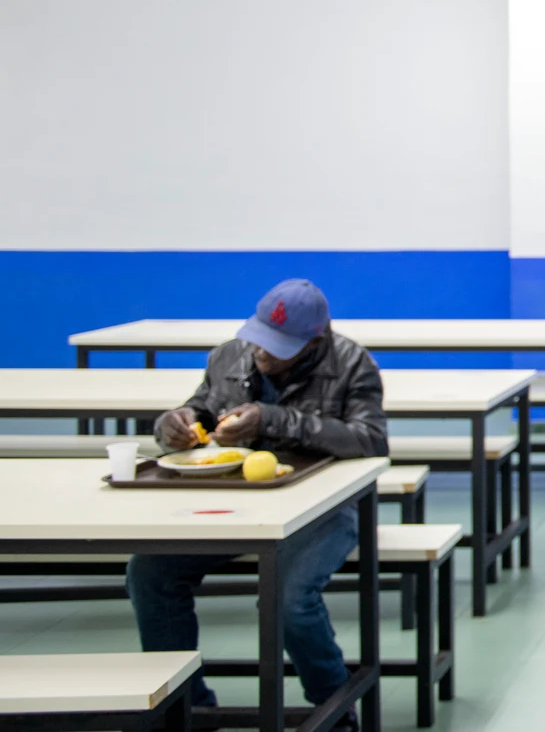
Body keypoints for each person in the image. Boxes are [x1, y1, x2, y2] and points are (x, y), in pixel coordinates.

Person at [130, 278, 388, 727]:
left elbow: (369, 440)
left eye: (278, 347)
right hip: (236, 504)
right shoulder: (229, 355)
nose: (261, 354)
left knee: (290, 600)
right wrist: (174, 425)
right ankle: (186, 706)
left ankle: (334, 705)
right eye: (260, 340)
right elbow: (201, 410)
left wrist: (274, 419)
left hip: (325, 508)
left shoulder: (351, 364)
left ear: (313, 341)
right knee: (150, 573)